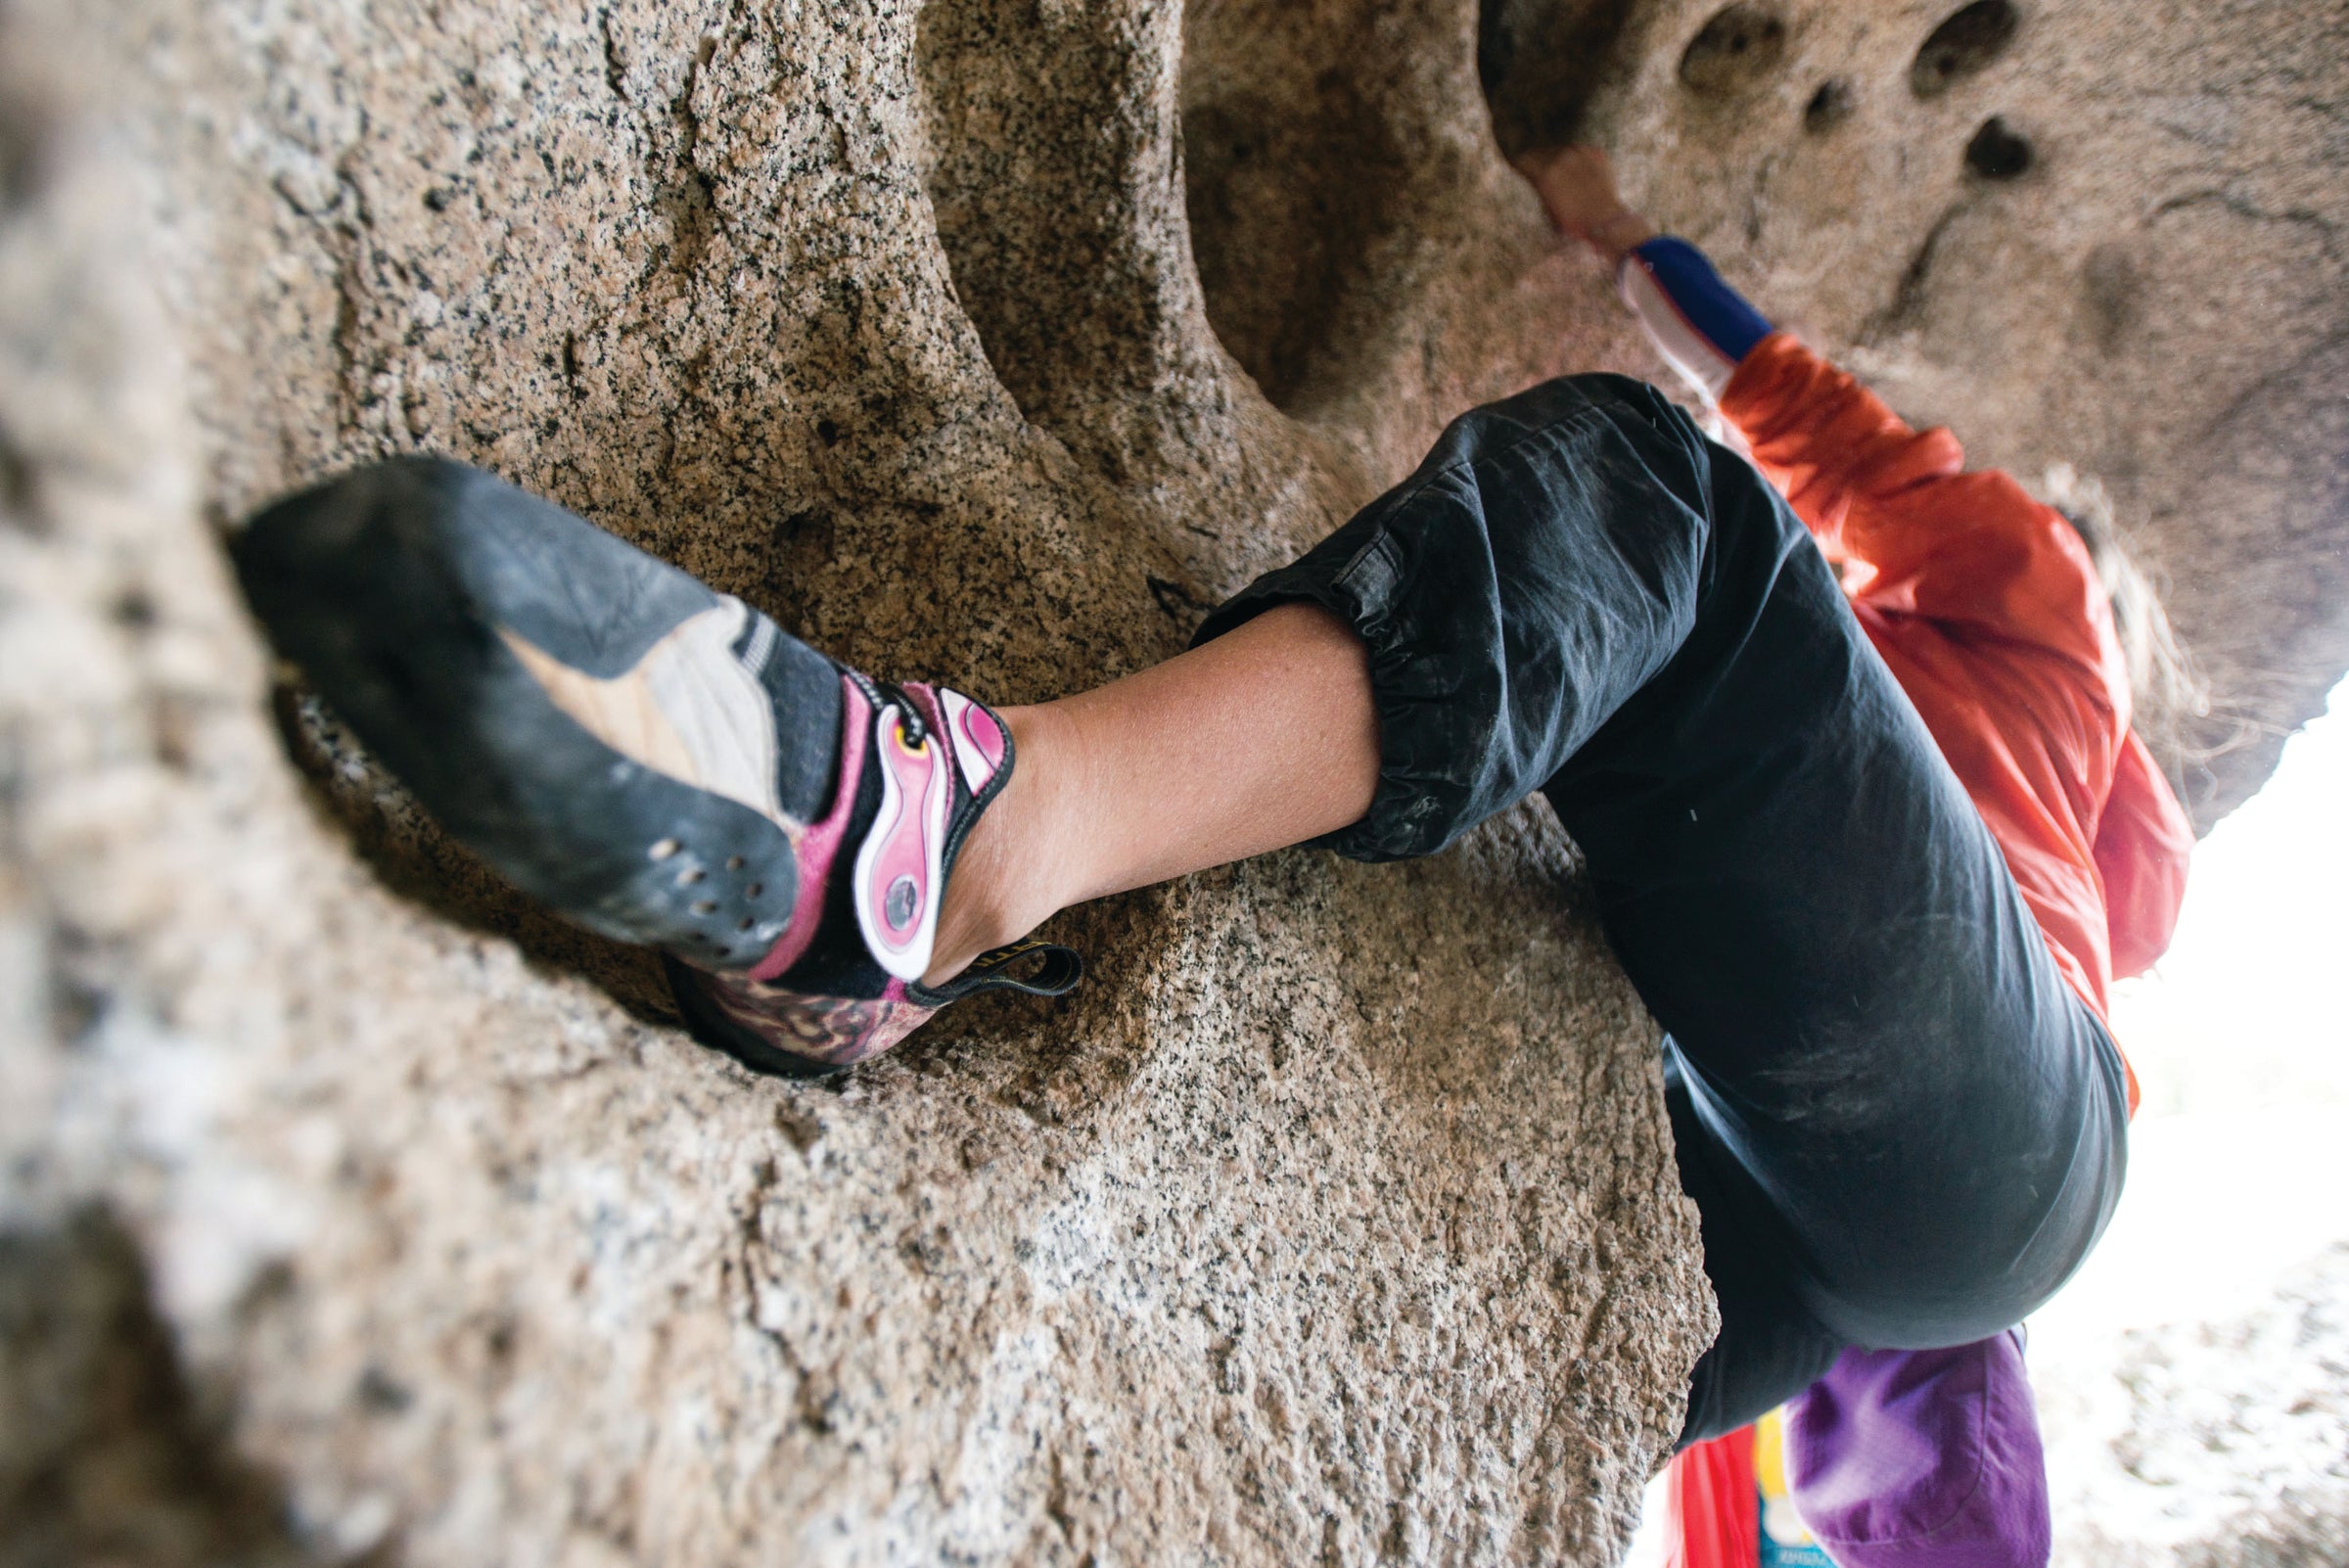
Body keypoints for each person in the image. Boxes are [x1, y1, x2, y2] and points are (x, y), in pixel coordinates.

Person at [227, 137, 2190, 1503]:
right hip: (1821, 1227)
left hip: (1985, 1143)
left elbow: (1787, 409)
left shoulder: (2026, 575)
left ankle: (956, 849)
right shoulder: (2037, 829)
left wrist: (1614, 236)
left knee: (1663, 503)